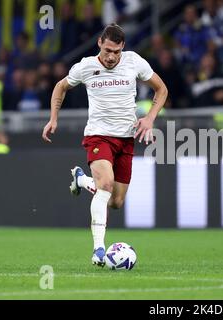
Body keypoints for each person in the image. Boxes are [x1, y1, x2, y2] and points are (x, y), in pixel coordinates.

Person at [42, 24, 168, 267]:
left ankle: (82, 180)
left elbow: (161, 89)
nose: (111, 57)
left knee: (116, 202)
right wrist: (53, 118)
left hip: (126, 139)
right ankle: (98, 250)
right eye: (108, 50)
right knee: (106, 185)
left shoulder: (134, 62)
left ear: (123, 49)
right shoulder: (86, 66)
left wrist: (150, 118)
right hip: (99, 136)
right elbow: (61, 86)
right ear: (100, 43)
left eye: (117, 52)